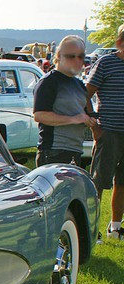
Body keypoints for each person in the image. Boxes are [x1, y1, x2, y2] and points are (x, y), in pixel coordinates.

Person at [33, 36, 97, 168]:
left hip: (75, 150)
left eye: (80, 56)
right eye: (71, 56)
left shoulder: (79, 84)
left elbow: (83, 115)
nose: (76, 60)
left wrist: (89, 120)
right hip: (53, 151)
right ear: (58, 56)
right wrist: (74, 119)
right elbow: (39, 115)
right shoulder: (48, 82)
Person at [87, 24, 124, 240]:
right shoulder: (106, 63)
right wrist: (95, 125)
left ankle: (115, 228)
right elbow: (86, 94)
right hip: (108, 131)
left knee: (123, 182)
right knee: (99, 182)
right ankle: (93, 229)